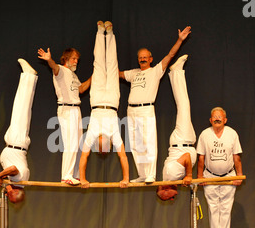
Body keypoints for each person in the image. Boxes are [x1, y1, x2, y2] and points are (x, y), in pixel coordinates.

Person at [119, 26, 192, 184]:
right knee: (136, 144)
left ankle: (151, 174)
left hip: (146, 109)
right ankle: (143, 175)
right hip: (131, 110)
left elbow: (170, 55)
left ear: (150, 59)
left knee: (148, 142)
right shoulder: (133, 73)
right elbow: (115, 73)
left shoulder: (155, 71)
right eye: (140, 57)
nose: (143, 59)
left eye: (145, 57)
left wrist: (179, 40)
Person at [79, 21, 129, 189]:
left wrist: (83, 178)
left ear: (98, 147)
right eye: (107, 149)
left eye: (103, 149)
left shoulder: (91, 135)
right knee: (112, 65)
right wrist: (126, 178)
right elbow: (122, 156)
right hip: (112, 100)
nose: (106, 148)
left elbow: (83, 158)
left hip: (98, 100)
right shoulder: (114, 136)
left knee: (99, 64)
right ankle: (110, 34)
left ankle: (100, 33)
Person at [37, 47, 91, 185]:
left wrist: (92, 77)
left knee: (78, 144)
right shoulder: (61, 70)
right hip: (66, 109)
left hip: (76, 110)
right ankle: (66, 175)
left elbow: (81, 89)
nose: (76, 61)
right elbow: (54, 67)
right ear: (66, 59)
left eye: (77, 59)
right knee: (71, 143)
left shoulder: (73, 75)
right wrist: (49, 59)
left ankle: (75, 174)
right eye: (73, 58)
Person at [196, 107, 243, 228]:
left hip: (229, 175)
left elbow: (236, 156)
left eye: (220, 117)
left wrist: (239, 175)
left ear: (225, 120)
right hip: (210, 175)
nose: (217, 119)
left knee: (226, 207)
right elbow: (201, 157)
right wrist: (200, 177)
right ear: (210, 120)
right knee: (213, 206)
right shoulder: (205, 134)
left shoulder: (232, 134)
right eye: (214, 117)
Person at [0, 59, 38, 203]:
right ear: (17, 191)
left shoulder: (17, 181)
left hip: (16, 142)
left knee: (23, 107)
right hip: (17, 141)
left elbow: (10, 174)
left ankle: (30, 77)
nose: (7, 194)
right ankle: (29, 75)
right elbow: (12, 168)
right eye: (10, 196)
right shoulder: (19, 179)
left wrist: (6, 185)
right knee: (21, 106)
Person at [156, 55, 196, 201]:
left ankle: (176, 72)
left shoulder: (171, 176)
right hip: (184, 140)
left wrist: (189, 175)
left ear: (165, 190)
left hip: (182, 140)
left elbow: (185, 157)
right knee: (184, 105)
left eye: (169, 198)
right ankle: (176, 72)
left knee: (184, 105)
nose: (174, 198)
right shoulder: (172, 178)